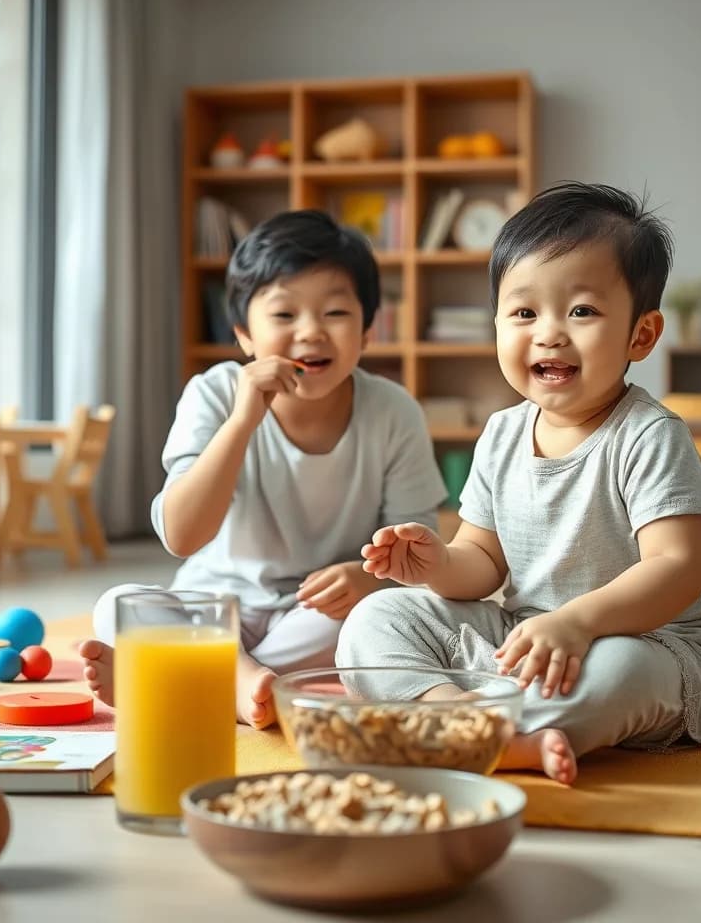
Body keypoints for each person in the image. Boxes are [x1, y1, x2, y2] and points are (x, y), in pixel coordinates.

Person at [337, 182, 701, 784]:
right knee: (377, 619)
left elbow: (675, 569)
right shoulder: (503, 433)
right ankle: (450, 717)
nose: (549, 333)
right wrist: (434, 564)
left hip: (662, 647)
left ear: (641, 334)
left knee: (618, 672)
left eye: (581, 311)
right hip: (531, 637)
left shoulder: (650, 435)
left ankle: (494, 732)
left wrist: (579, 623)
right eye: (524, 312)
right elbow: (483, 563)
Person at [79, 210, 446, 727]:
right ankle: (238, 682)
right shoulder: (213, 393)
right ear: (244, 334)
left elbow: (420, 543)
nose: (311, 332)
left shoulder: (393, 410)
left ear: (367, 332)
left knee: (374, 623)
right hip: (212, 609)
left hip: (314, 614)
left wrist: (368, 581)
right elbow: (181, 536)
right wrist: (243, 419)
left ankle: (177, 679)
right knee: (118, 604)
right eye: (284, 315)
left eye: (336, 313)